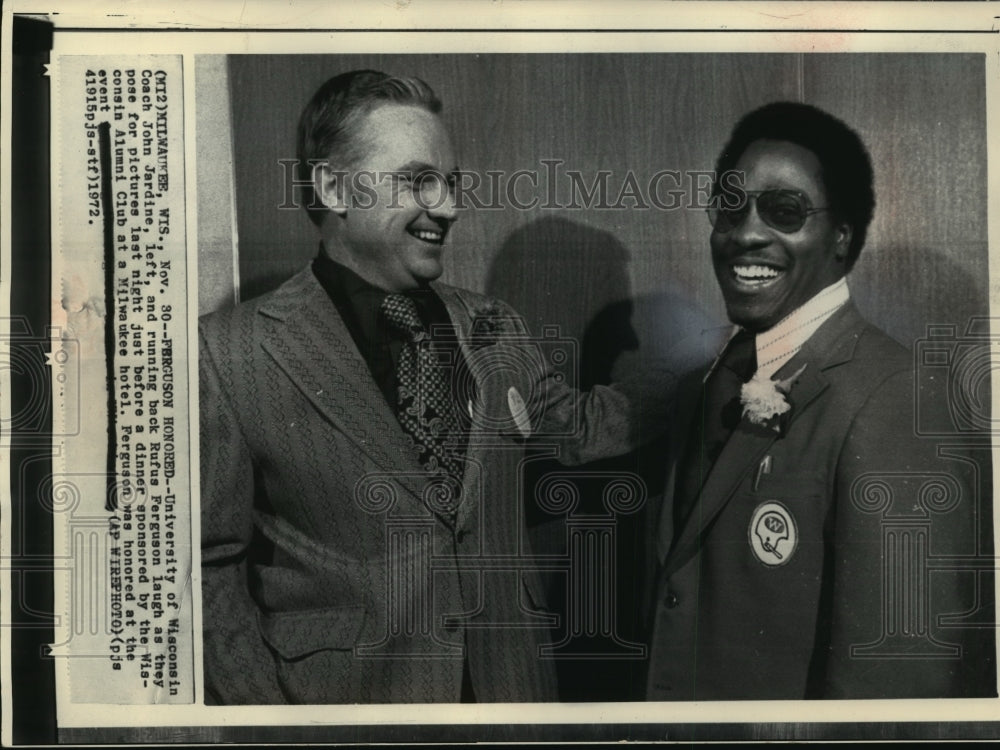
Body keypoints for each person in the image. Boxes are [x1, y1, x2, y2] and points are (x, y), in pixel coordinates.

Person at [199, 70, 674, 704]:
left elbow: (579, 428)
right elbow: (208, 567)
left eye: (450, 183)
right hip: (349, 709)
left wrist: (721, 368)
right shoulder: (232, 350)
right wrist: (272, 721)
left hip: (512, 694)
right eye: (418, 180)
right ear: (335, 188)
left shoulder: (491, 323)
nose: (448, 206)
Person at [645, 101, 995, 700]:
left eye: (784, 211)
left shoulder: (901, 402)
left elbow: (895, 687)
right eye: (731, 206)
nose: (747, 233)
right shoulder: (705, 383)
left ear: (841, 237)